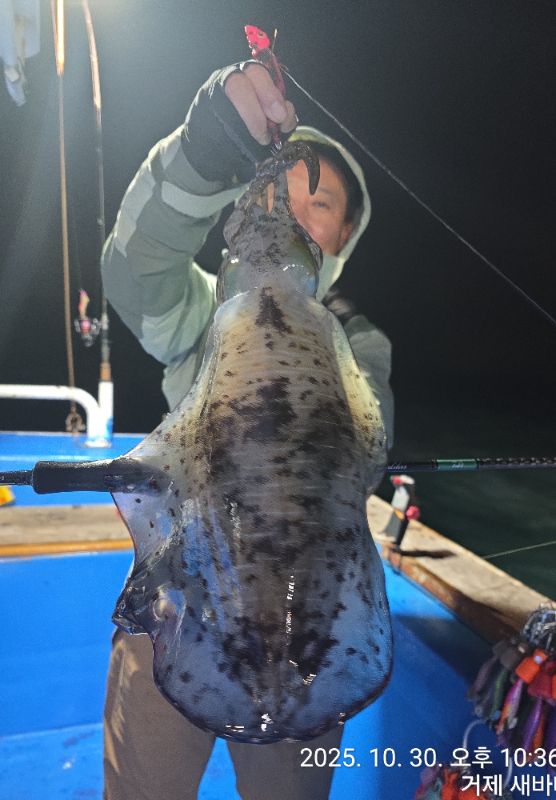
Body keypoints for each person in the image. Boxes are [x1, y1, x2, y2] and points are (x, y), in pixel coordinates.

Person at [101, 60, 394, 800]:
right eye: (277, 192)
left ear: (345, 233)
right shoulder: (202, 311)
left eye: (318, 201)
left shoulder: (359, 344)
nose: (294, 211)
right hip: (176, 604)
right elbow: (136, 265)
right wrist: (204, 153)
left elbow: (371, 438)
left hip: (310, 627)